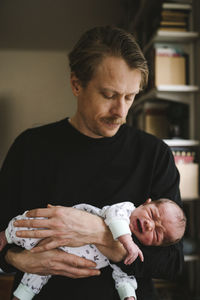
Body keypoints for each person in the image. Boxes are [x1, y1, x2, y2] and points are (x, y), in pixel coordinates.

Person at [0, 26, 184, 300]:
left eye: (130, 97)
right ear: (76, 84)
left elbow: (173, 263)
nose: (121, 112)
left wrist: (99, 232)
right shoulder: (29, 148)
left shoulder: (155, 154)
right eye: (109, 95)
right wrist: (16, 260)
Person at [0, 199, 186, 300]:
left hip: (60, 257)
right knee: (29, 227)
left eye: (157, 234)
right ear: (146, 202)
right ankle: (6, 235)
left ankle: (21, 296)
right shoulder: (126, 210)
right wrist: (127, 243)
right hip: (56, 230)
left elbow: (124, 276)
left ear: (154, 245)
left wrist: (128, 295)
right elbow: (114, 216)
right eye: (152, 214)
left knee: (38, 275)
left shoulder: (135, 251)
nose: (149, 225)